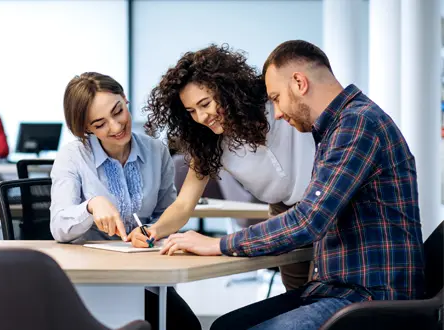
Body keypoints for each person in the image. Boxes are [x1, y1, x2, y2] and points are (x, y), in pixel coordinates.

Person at [159, 40, 425, 330]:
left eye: (275, 97)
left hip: (369, 297)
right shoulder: (336, 127)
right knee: (226, 326)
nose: (276, 113)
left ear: (299, 82)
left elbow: (309, 220)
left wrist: (219, 244)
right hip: (336, 287)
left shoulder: (356, 125)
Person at [131, 44, 316, 291]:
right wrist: (151, 231)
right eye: (191, 111)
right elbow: (184, 204)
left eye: (205, 103)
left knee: (330, 296)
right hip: (282, 214)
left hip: (323, 201)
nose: (201, 117)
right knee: (298, 297)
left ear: (226, 90)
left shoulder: (276, 105)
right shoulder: (209, 143)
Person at [49, 72, 201, 330]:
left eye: (118, 111)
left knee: (186, 327)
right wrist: (91, 205)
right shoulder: (72, 157)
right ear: (86, 128)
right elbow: (59, 227)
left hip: (145, 275)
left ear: (125, 99)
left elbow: (167, 213)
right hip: (91, 280)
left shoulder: (156, 150)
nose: (116, 127)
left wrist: (151, 231)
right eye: (100, 124)